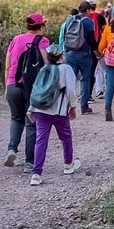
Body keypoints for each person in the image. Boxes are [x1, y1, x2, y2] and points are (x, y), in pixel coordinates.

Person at [3, 14, 50, 174]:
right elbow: (47, 66)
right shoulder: (43, 41)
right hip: (33, 87)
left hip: (12, 84)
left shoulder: (15, 39)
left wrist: (6, 87)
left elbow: (8, 65)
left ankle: (11, 150)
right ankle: (30, 163)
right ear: (41, 26)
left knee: (16, 118)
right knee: (32, 123)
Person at [29, 45, 80, 186]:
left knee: (41, 141)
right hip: (58, 110)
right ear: (61, 56)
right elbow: (70, 90)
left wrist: (31, 108)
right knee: (66, 137)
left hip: (40, 110)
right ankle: (68, 165)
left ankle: (36, 174)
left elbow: (37, 89)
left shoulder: (43, 69)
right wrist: (73, 106)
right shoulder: (66, 69)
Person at [62, 2, 99, 114]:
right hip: (84, 55)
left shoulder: (69, 20)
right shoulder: (89, 22)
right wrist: (97, 53)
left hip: (70, 54)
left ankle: (65, 107)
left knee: (69, 80)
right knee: (85, 79)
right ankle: (84, 107)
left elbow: (65, 37)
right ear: (87, 10)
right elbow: (92, 41)